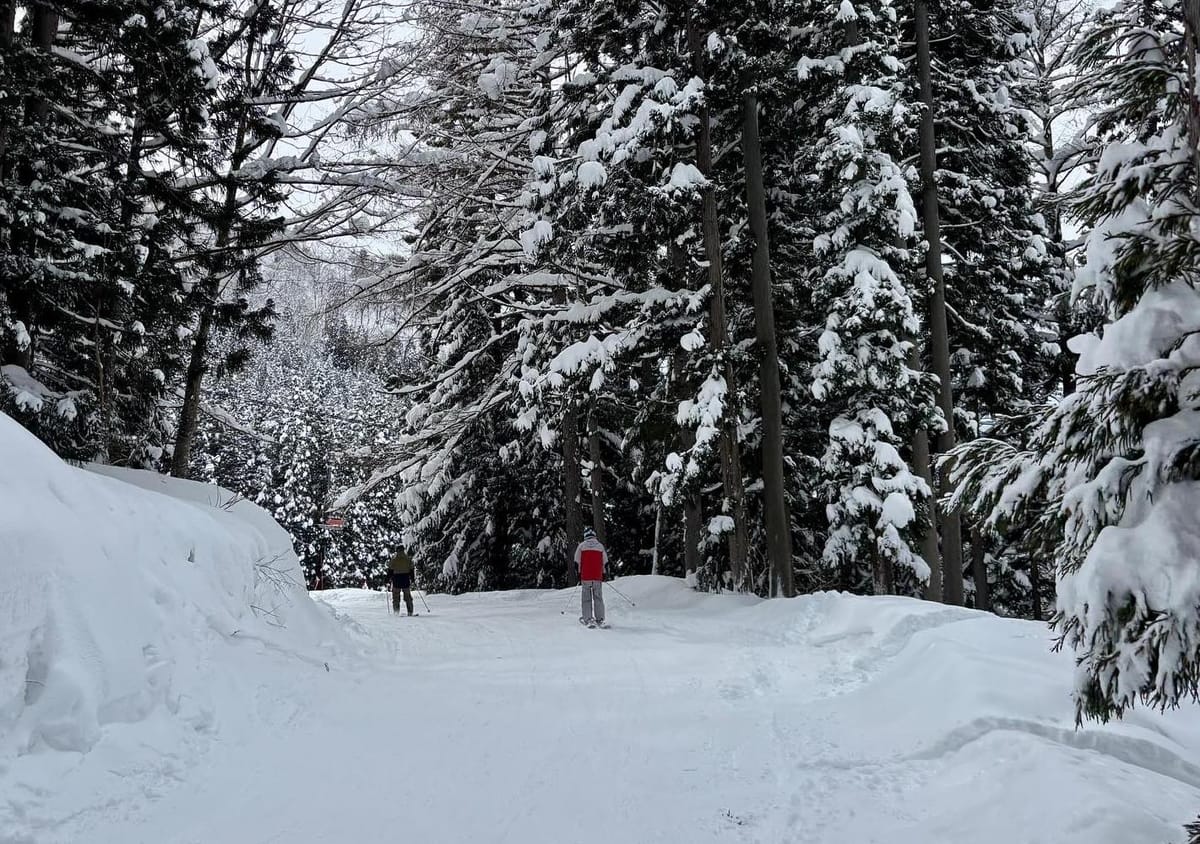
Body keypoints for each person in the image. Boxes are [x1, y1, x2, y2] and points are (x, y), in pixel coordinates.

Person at [573, 527, 608, 628]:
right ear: (594, 536)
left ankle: (588, 618)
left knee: (586, 598)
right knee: (598, 598)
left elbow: (576, 562)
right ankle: (600, 619)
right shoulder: (600, 546)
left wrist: (578, 573)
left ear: (585, 536)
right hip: (597, 576)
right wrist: (604, 574)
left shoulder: (581, 546)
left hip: (586, 576)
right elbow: (605, 562)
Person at [389, 544, 415, 616]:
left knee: (396, 597)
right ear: (404, 550)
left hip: (396, 580)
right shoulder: (408, 559)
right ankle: (410, 611)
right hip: (405, 579)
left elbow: (390, 571)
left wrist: (387, 579)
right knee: (408, 596)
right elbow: (412, 570)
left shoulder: (394, 560)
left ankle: (396, 611)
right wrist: (412, 579)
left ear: (397, 551)